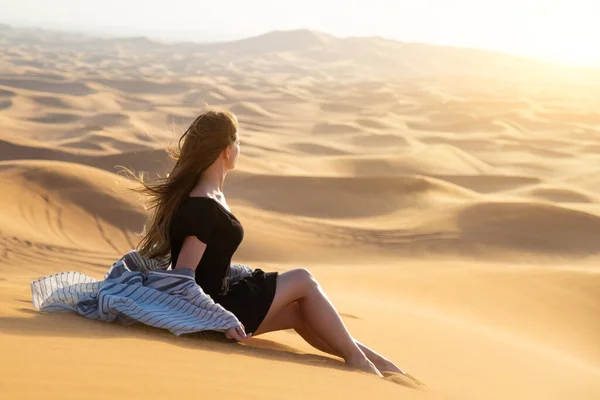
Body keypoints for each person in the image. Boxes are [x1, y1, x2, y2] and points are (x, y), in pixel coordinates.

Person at [127, 106, 404, 377]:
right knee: (303, 279)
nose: (239, 148)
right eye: (238, 141)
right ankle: (359, 361)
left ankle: (375, 361)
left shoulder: (211, 196)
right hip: (216, 316)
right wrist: (221, 319)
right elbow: (181, 279)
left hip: (223, 303)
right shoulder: (203, 206)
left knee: (298, 312)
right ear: (227, 150)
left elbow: (209, 263)